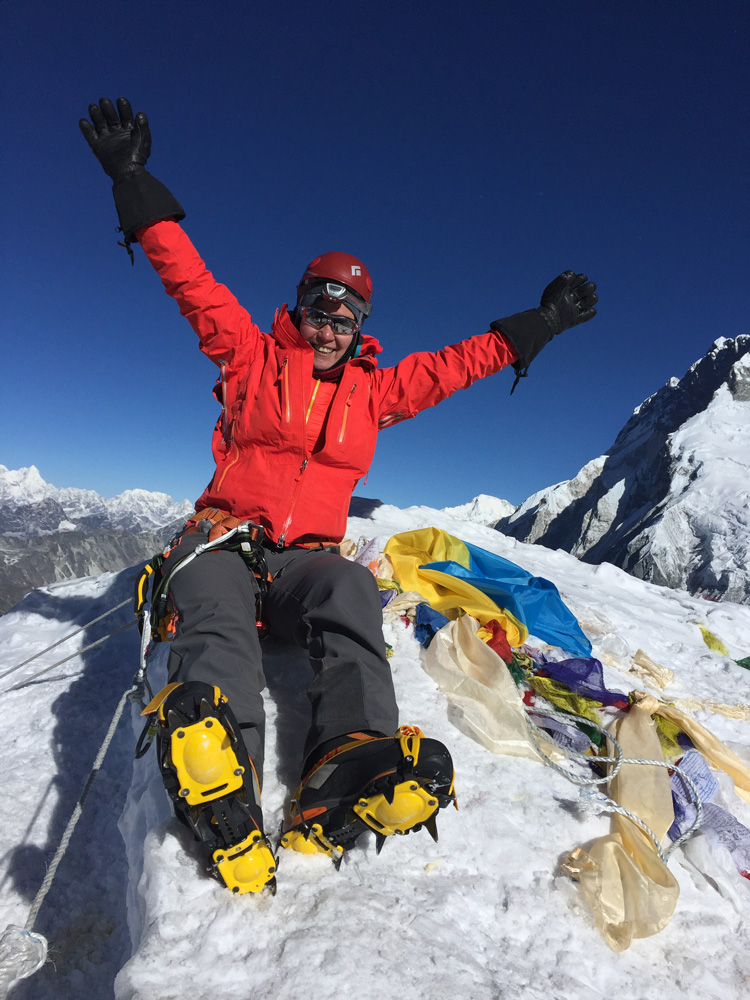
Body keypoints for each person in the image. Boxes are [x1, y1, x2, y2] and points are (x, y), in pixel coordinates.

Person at [79, 97, 598, 895]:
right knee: (213, 612)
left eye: (345, 319)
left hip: (307, 563)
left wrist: (543, 322)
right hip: (226, 538)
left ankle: (350, 763)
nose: (329, 329)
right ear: (299, 308)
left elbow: (457, 364)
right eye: (319, 311)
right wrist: (133, 180)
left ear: (360, 329)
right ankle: (225, 775)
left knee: (351, 589)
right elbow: (191, 283)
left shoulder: (374, 392)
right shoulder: (249, 357)